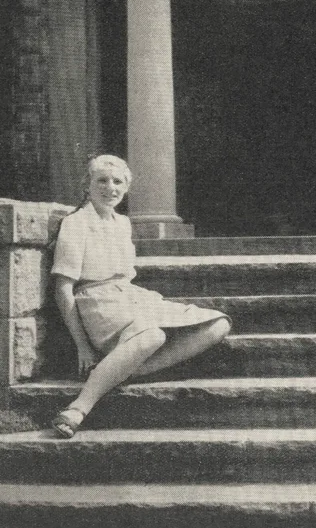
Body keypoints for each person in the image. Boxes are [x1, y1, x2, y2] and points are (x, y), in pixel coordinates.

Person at [49, 154, 231, 438]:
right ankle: (80, 406)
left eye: (117, 181)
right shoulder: (76, 223)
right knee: (154, 336)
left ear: (127, 187)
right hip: (97, 302)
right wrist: (82, 346)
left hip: (131, 298)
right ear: (87, 185)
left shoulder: (123, 223)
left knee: (218, 325)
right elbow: (63, 288)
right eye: (102, 180)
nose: (110, 188)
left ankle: (118, 371)